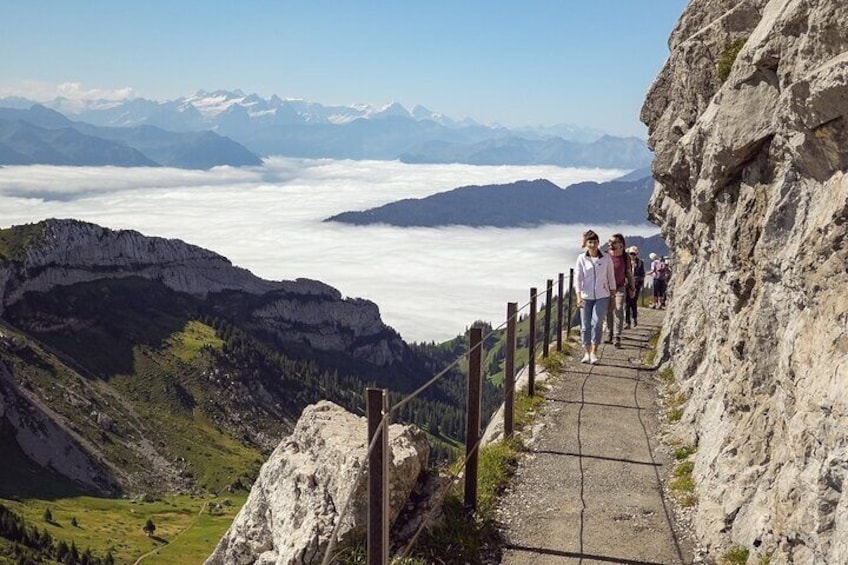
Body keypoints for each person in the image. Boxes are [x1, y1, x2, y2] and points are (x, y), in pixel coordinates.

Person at [574, 229, 616, 364]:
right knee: (585, 325)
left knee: (597, 323)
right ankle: (586, 352)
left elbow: (611, 276)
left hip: (602, 295)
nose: (592, 244)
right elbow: (578, 278)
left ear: (598, 243)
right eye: (590, 242)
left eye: (595, 242)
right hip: (586, 296)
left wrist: (613, 295)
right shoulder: (581, 258)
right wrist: (578, 296)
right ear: (586, 243)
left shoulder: (606, 258)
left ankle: (594, 351)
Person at [604, 233, 635, 348]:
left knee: (618, 309)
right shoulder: (606, 256)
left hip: (620, 287)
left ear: (621, 244)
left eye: (614, 242)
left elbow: (629, 273)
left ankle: (617, 336)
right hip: (606, 288)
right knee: (608, 311)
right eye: (609, 241)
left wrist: (632, 287)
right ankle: (609, 333)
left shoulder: (625, 257)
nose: (610, 244)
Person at [625, 246, 645, 328]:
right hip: (627, 285)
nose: (632, 255)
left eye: (634, 254)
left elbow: (642, 274)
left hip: (636, 285)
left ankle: (634, 318)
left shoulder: (640, 263)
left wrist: (636, 279)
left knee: (633, 302)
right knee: (627, 303)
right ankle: (628, 322)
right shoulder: (626, 262)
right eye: (631, 254)